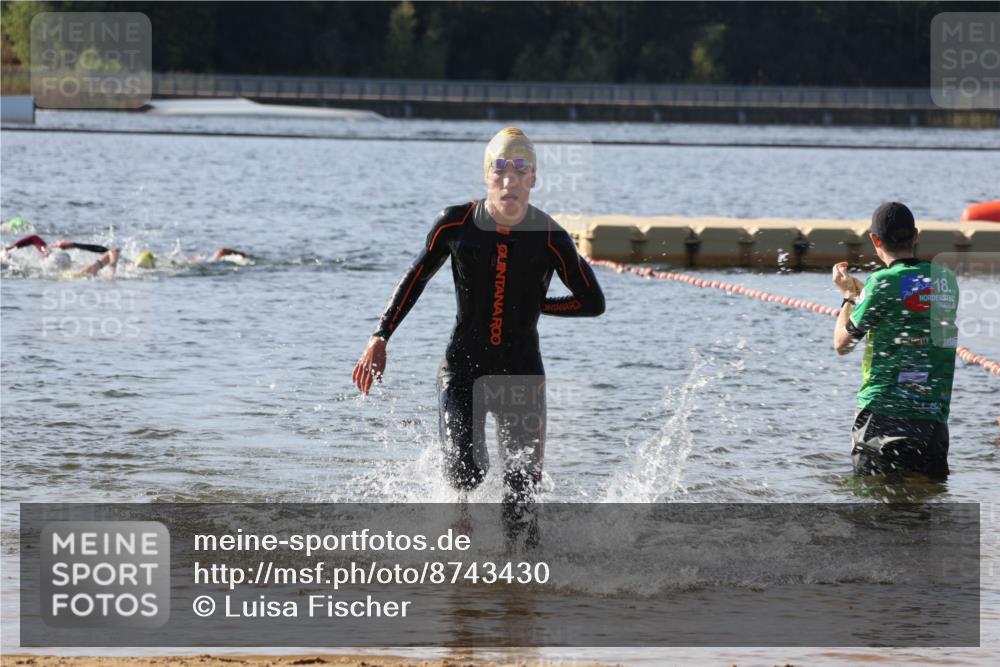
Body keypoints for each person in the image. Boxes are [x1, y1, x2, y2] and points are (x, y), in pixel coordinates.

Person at [352, 127, 605, 510]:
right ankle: (461, 522)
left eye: (520, 171)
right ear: (487, 176)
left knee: (520, 502)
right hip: (463, 369)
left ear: (533, 179)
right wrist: (380, 336)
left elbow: (592, 302)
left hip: (522, 374)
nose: (509, 182)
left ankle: (522, 564)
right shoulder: (456, 224)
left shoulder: (551, 236)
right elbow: (416, 278)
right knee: (463, 472)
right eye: (499, 171)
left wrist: (537, 305)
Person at [832, 202, 959, 480]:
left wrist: (849, 297)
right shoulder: (945, 279)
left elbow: (843, 344)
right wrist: (866, 296)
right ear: (915, 235)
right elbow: (912, 310)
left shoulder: (881, 282)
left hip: (883, 416)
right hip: (933, 418)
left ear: (875, 240)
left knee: (874, 508)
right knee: (924, 511)